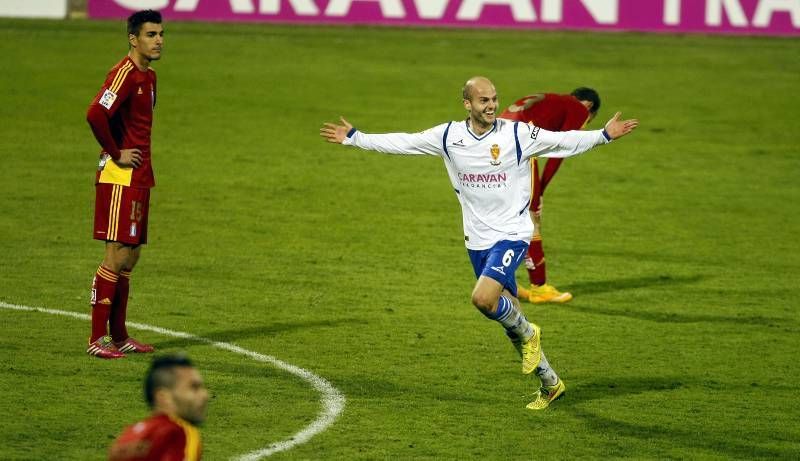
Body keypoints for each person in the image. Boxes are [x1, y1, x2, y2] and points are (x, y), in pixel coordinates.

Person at [320, 76, 638, 410]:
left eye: (494, 99)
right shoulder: (448, 136)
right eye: (483, 100)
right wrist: (355, 138)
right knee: (509, 318)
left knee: (484, 300)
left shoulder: (516, 133)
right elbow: (406, 142)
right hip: (477, 238)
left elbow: (562, 141)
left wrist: (603, 136)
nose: (491, 106)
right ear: (467, 104)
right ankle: (550, 383)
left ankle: (531, 334)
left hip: (513, 233)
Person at [85, 9, 164, 359]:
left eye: (161, 34)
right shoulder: (124, 75)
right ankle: (96, 340)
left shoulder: (150, 78)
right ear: (133, 39)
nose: (158, 40)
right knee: (116, 254)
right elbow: (95, 114)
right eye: (150, 34)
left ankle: (119, 336)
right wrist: (115, 153)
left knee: (131, 256)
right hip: (120, 176)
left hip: (140, 176)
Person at [500, 88, 601, 304]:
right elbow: (561, 152)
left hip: (493, 147)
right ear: (589, 107)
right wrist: (541, 191)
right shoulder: (578, 110)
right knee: (531, 218)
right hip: (518, 151)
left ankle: (502, 281)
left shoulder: (551, 100)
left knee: (506, 216)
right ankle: (539, 288)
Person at [108, 355, 208, 461]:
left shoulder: (126, 438)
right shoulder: (179, 434)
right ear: (163, 397)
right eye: (193, 387)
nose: (205, 395)